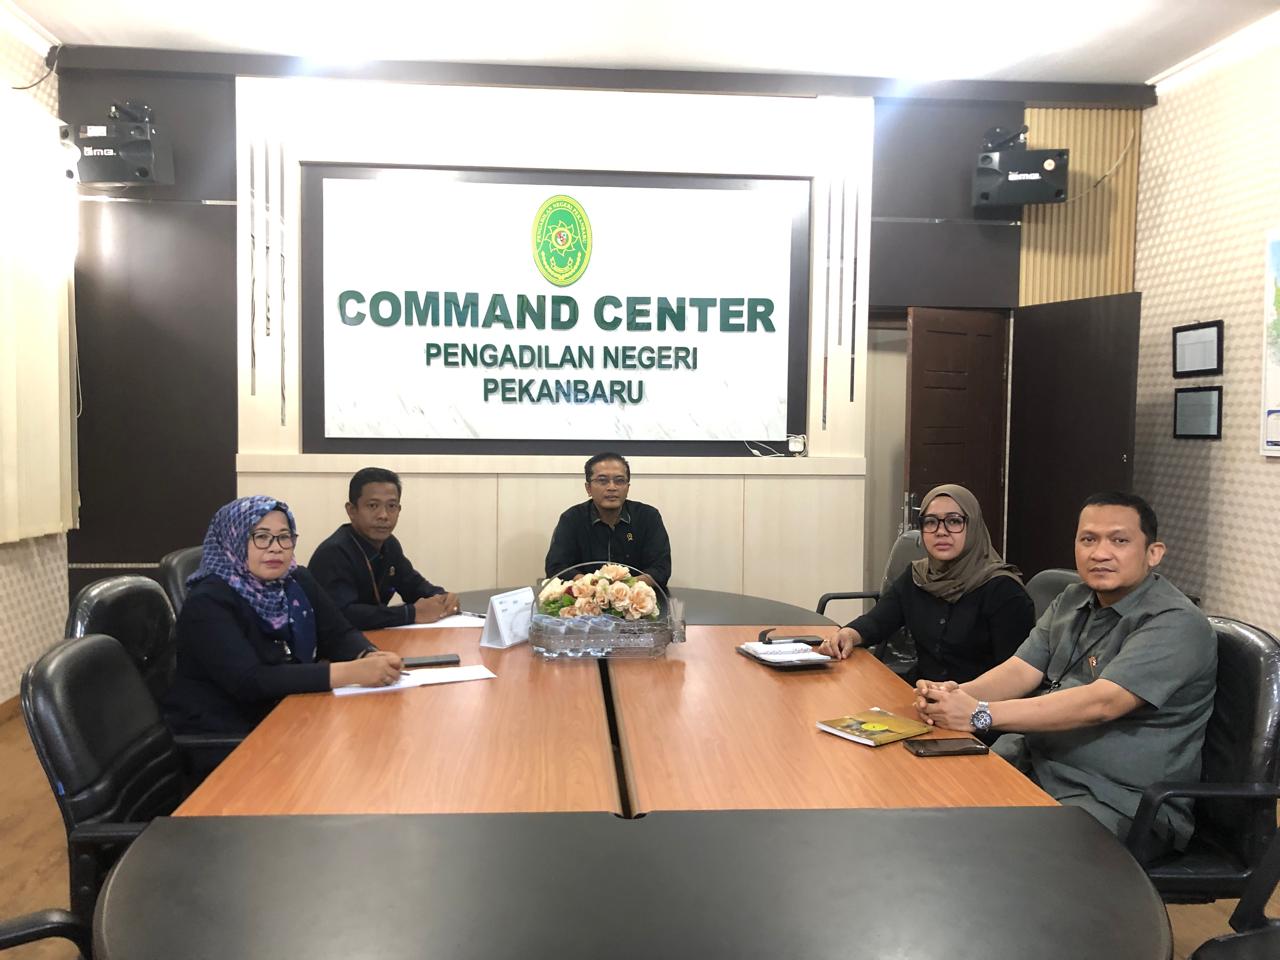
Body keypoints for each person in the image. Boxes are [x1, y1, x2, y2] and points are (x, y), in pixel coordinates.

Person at [913, 491, 1216, 857]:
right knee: (923, 805)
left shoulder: (1176, 623)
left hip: (1116, 801)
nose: (1100, 553)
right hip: (1034, 765)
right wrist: (953, 695)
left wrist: (980, 714)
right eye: (1088, 539)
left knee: (988, 853)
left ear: (1153, 553)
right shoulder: (1073, 599)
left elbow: (1102, 703)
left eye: (1119, 541)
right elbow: (1021, 670)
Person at [165, 496, 404, 753]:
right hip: (229, 734)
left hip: (290, 712)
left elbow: (338, 634)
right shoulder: (208, 601)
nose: (276, 548)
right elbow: (251, 681)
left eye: (284, 537)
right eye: (261, 537)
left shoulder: (296, 580)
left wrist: (369, 655)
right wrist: (350, 673)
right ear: (233, 540)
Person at [817, 484, 1034, 686]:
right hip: (920, 694)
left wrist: (960, 700)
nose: (941, 531)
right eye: (931, 522)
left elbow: (1014, 677)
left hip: (978, 705)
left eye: (954, 521)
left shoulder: (1004, 590)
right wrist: (849, 634)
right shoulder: (918, 576)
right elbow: (878, 620)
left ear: (973, 526)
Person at [309, 467, 460, 629]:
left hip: (375, 636)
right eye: (373, 506)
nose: (384, 515)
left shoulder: (389, 544)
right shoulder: (334, 553)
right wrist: (410, 613)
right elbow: (343, 615)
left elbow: (413, 585)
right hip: (335, 642)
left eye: (392, 506)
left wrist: (442, 598)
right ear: (352, 510)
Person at [544, 452, 672, 592]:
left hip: (637, 597)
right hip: (584, 599)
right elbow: (556, 567)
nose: (612, 487)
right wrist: (594, 587)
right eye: (603, 481)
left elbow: (661, 569)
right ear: (588, 488)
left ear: (627, 487)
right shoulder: (572, 519)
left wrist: (622, 588)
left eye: (619, 481)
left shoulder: (648, 517)